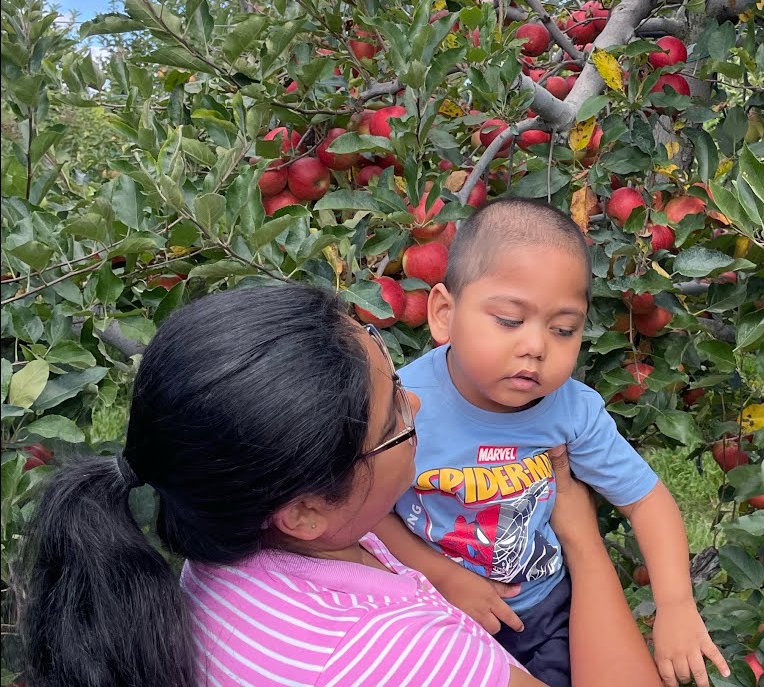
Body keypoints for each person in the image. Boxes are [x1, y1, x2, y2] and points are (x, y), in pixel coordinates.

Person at [18, 284, 661, 687]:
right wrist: (578, 530)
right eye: (394, 421)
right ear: (303, 512)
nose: (414, 401)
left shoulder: (218, 555)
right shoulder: (400, 657)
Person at [374, 198, 729, 687]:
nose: (537, 347)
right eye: (509, 320)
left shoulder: (571, 410)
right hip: (435, 606)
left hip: (540, 610)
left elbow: (647, 502)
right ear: (443, 314)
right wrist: (444, 577)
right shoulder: (405, 403)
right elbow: (371, 511)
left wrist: (675, 604)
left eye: (564, 329)